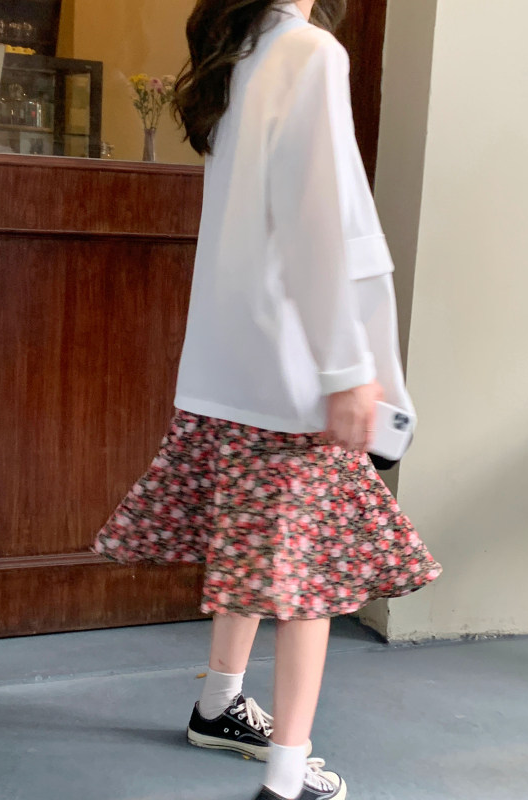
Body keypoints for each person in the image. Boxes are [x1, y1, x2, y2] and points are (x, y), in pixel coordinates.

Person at [93, 2, 442, 798]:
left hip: (230, 363)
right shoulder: (310, 52)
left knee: (258, 550)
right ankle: (287, 777)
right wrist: (347, 368)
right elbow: (317, 225)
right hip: (295, 368)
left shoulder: (238, 51)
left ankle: (219, 706)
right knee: (306, 580)